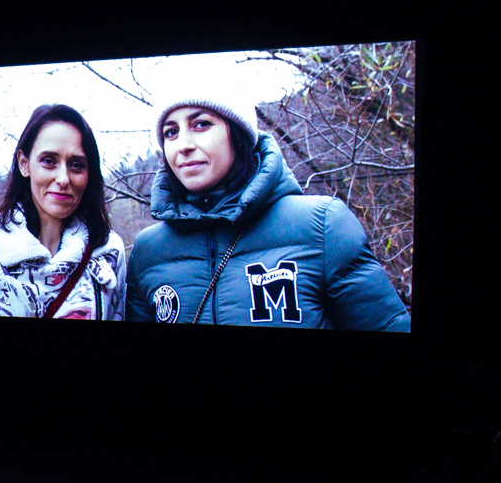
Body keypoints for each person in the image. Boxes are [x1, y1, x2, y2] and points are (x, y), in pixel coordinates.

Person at [125, 90, 410, 329]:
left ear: (238, 135)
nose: (183, 145)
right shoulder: (148, 251)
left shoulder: (322, 225)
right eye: (171, 132)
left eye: (201, 124)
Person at [0, 104, 127, 319]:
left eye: (76, 165)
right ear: (24, 163)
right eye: (49, 161)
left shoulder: (108, 251)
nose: (63, 179)